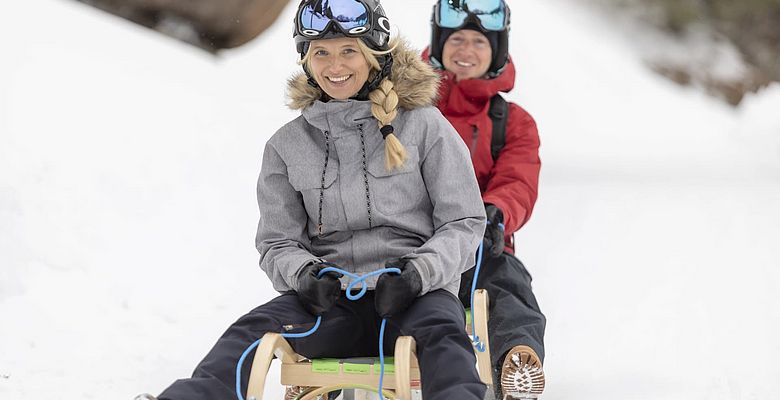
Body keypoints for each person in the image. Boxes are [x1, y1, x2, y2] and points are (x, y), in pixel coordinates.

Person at [137, 1, 488, 399]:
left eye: (348, 51)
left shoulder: (424, 126)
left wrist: (417, 273)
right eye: (320, 52)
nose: (334, 66)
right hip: (333, 305)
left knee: (444, 336)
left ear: (373, 54)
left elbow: (464, 223)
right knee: (253, 330)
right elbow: (276, 240)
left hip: (414, 297)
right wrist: (305, 274)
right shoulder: (287, 146)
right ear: (306, 60)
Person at [423, 0, 547, 399]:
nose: (465, 50)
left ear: (496, 51)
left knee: (508, 286)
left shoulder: (512, 122)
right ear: (439, 45)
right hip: (413, 243)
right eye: (457, 39)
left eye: (479, 41)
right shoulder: (407, 109)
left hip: (481, 246)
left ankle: (516, 358)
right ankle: (321, 371)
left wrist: (496, 214)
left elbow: (518, 180)